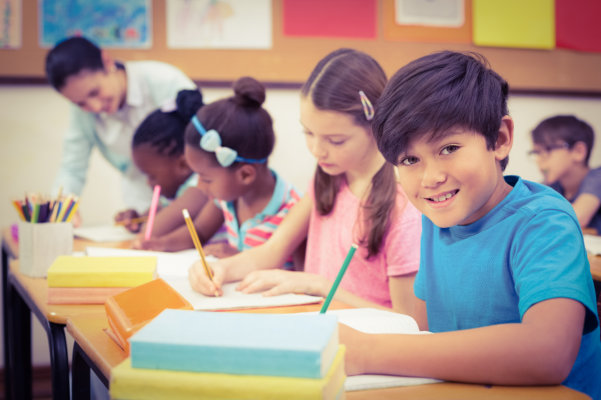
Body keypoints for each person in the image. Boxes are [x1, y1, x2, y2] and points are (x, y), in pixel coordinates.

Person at [339, 50, 601, 399]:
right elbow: (425, 333)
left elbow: (548, 351)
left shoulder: (542, 221)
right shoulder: (437, 219)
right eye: (410, 159)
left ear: (500, 138)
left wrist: (368, 351)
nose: (431, 177)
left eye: (448, 148)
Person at [188, 49, 422, 314]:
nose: (317, 150)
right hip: (317, 331)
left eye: (335, 140)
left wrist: (319, 286)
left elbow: (410, 321)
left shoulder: (404, 209)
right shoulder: (329, 177)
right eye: (308, 132)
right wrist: (220, 269)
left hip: (367, 345)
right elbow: (273, 249)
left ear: (375, 125)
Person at [45, 36, 196, 224]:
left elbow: (203, 152)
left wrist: (173, 211)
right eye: (80, 103)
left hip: (194, 201)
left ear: (107, 62)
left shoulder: (165, 82)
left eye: (95, 92)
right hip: (141, 205)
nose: (94, 106)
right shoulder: (83, 112)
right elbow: (72, 166)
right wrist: (62, 207)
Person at [172, 76, 301, 258]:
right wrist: (155, 244)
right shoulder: (228, 197)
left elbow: (300, 279)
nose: (200, 186)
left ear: (246, 175)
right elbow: (198, 233)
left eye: (206, 178)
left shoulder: (293, 212)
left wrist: (237, 260)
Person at [116, 89, 211, 248]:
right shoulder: (176, 192)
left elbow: (153, 231)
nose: (148, 183)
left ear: (183, 165)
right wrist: (138, 219)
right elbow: (157, 217)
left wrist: (146, 227)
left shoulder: (200, 187)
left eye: (151, 175)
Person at [530, 115, 601, 233]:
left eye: (546, 150)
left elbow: (577, 218)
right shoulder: (552, 185)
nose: (538, 159)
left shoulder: (597, 177)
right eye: (536, 152)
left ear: (578, 151)